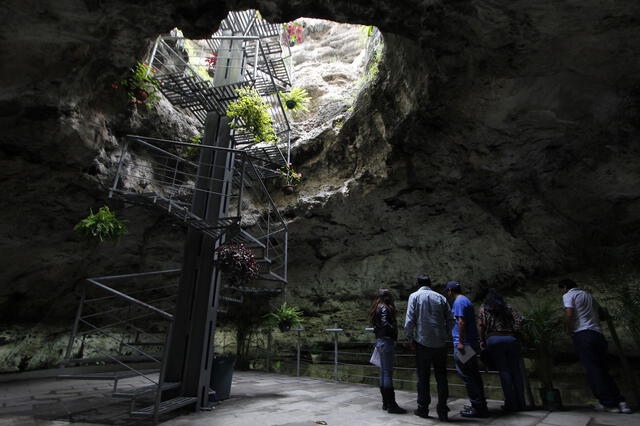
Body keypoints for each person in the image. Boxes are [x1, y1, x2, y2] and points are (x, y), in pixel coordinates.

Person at [559, 279, 632, 414]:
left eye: (561, 290)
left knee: (593, 370)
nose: (561, 292)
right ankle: (621, 402)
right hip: (597, 334)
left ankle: (608, 403)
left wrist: (569, 330)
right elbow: (601, 314)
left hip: (583, 335)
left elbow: (569, 312)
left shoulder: (569, 295)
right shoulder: (589, 296)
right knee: (603, 369)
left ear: (564, 287)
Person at [405, 275, 452, 421]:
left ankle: (423, 409)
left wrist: (410, 338)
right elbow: (451, 319)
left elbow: (410, 319)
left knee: (423, 378)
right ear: (430, 284)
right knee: (442, 377)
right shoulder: (441, 297)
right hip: (440, 343)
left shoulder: (414, 296)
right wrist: (446, 335)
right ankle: (443, 410)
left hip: (422, 342)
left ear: (418, 284)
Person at [478, 288, 526, 412]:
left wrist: (482, 340)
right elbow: (520, 320)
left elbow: (482, 325)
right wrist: (514, 331)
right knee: (516, 371)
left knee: (504, 371)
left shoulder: (485, 308)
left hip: (494, 339)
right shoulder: (507, 307)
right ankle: (521, 402)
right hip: (511, 339)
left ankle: (510, 403)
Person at [446, 281, 489, 418]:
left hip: (465, 345)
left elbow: (461, 322)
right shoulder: (466, 300)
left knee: (468, 375)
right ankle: (480, 404)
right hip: (471, 343)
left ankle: (478, 407)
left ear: (450, 290)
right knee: (473, 374)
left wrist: (461, 342)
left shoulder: (458, 302)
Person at [369, 289, 406, 414]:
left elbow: (378, 326)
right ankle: (391, 405)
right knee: (387, 373)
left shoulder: (377, 307)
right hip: (386, 342)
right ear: (387, 297)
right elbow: (385, 324)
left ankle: (386, 403)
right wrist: (394, 329)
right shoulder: (384, 308)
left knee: (383, 372)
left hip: (380, 341)